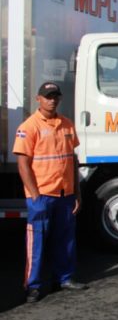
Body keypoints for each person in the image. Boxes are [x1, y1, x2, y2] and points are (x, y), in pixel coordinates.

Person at [14, 82, 88, 304]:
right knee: (36, 243)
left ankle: (64, 278)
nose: (52, 100)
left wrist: (77, 193)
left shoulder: (67, 125)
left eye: (55, 96)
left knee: (65, 240)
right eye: (48, 96)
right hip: (42, 195)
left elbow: (72, 161)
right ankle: (33, 286)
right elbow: (23, 164)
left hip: (65, 195)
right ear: (38, 99)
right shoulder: (29, 126)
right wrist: (35, 195)